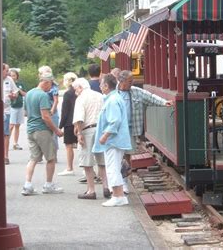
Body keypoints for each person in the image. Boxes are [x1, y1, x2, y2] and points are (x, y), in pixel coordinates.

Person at [117, 70, 173, 193]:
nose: (132, 83)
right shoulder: (113, 93)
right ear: (122, 81)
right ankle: (115, 182)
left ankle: (124, 183)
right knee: (115, 156)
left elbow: (151, 98)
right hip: (115, 131)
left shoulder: (136, 92)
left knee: (127, 156)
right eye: (130, 81)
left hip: (129, 130)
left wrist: (164, 102)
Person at [21, 72, 64, 196]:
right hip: (42, 130)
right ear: (46, 82)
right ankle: (48, 185)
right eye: (51, 84)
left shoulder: (29, 93)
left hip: (30, 129)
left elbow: (25, 113)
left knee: (33, 158)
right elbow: (45, 116)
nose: (51, 87)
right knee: (50, 158)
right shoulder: (43, 95)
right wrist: (56, 130)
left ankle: (27, 184)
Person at [93, 74, 131, 207]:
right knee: (113, 167)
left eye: (101, 84)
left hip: (113, 140)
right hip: (116, 140)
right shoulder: (113, 98)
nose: (99, 86)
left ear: (106, 86)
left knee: (112, 168)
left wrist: (105, 135)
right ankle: (119, 195)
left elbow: (114, 121)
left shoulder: (112, 100)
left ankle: (117, 196)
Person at [72, 78, 109, 199]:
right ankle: (106, 187)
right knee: (102, 161)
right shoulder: (100, 96)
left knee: (87, 162)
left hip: (87, 130)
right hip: (101, 130)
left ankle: (91, 190)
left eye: (75, 89)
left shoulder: (81, 98)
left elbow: (79, 118)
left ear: (80, 87)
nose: (75, 92)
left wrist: (79, 134)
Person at [58, 72, 78, 176]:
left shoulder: (67, 94)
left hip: (69, 123)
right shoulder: (79, 92)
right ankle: (86, 170)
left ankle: (69, 168)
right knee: (83, 146)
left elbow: (64, 111)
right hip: (80, 121)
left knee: (69, 146)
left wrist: (60, 126)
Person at [3, 63, 19, 164]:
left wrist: (14, 95)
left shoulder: (9, 80)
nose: (8, 72)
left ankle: (5, 156)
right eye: (6, 70)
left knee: (6, 134)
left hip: (6, 111)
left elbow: (16, 91)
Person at [9, 68, 26, 151]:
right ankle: (6, 141)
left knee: (17, 125)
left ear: (17, 76)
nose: (13, 77)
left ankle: (15, 143)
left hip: (20, 106)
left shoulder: (20, 84)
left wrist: (19, 90)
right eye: (11, 76)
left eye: (14, 76)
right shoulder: (8, 84)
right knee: (11, 125)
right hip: (12, 107)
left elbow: (25, 94)